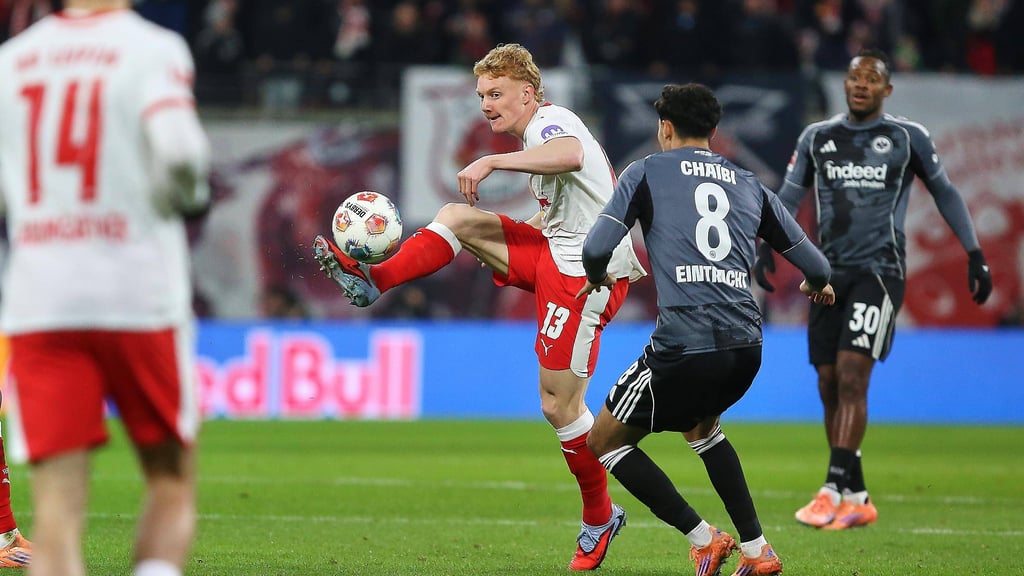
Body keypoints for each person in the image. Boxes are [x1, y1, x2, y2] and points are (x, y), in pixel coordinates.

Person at [313, 42, 645, 570]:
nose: (487, 104)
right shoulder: (539, 133)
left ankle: (599, 516)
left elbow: (571, 156)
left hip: (587, 275)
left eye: (497, 93)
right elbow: (559, 211)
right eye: (481, 95)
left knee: (560, 407)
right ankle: (376, 280)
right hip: (555, 253)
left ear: (528, 94)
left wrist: (491, 160)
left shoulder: (550, 124)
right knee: (459, 218)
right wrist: (500, 246)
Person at [578, 83, 834, 576]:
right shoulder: (749, 183)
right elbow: (816, 265)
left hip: (684, 344)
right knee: (702, 427)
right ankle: (758, 553)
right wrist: (816, 286)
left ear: (665, 128)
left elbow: (595, 249)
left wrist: (595, 278)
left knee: (604, 441)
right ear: (714, 132)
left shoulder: (646, 170)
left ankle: (704, 539)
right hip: (747, 346)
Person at [0, 1, 211, 575]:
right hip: (136, 294)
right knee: (169, 481)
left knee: (56, 513)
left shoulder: (13, 61)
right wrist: (188, 198)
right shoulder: (152, 49)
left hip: (41, 301)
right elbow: (181, 155)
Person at [753, 48, 993, 530]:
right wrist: (766, 246)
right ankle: (857, 493)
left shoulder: (907, 138)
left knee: (851, 373)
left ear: (887, 89)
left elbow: (945, 191)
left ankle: (830, 489)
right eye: (854, 76)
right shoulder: (818, 137)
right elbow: (790, 195)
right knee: (827, 382)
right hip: (824, 274)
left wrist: (973, 252)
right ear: (845, 85)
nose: (861, 84)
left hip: (880, 273)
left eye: (872, 78)